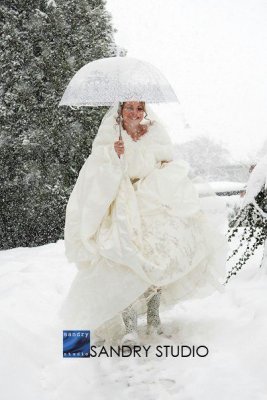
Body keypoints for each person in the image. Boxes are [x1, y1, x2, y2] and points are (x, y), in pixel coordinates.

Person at [60, 101, 226, 346]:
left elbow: (166, 163)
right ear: (121, 111)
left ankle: (153, 319)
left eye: (140, 108)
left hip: (152, 204)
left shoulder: (155, 132)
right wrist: (113, 156)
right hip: (123, 207)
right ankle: (127, 327)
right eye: (129, 108)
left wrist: (162, 173)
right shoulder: (110, 136)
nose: (135, 113)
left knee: (158, 263)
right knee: (124, 263)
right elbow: (96, 172)